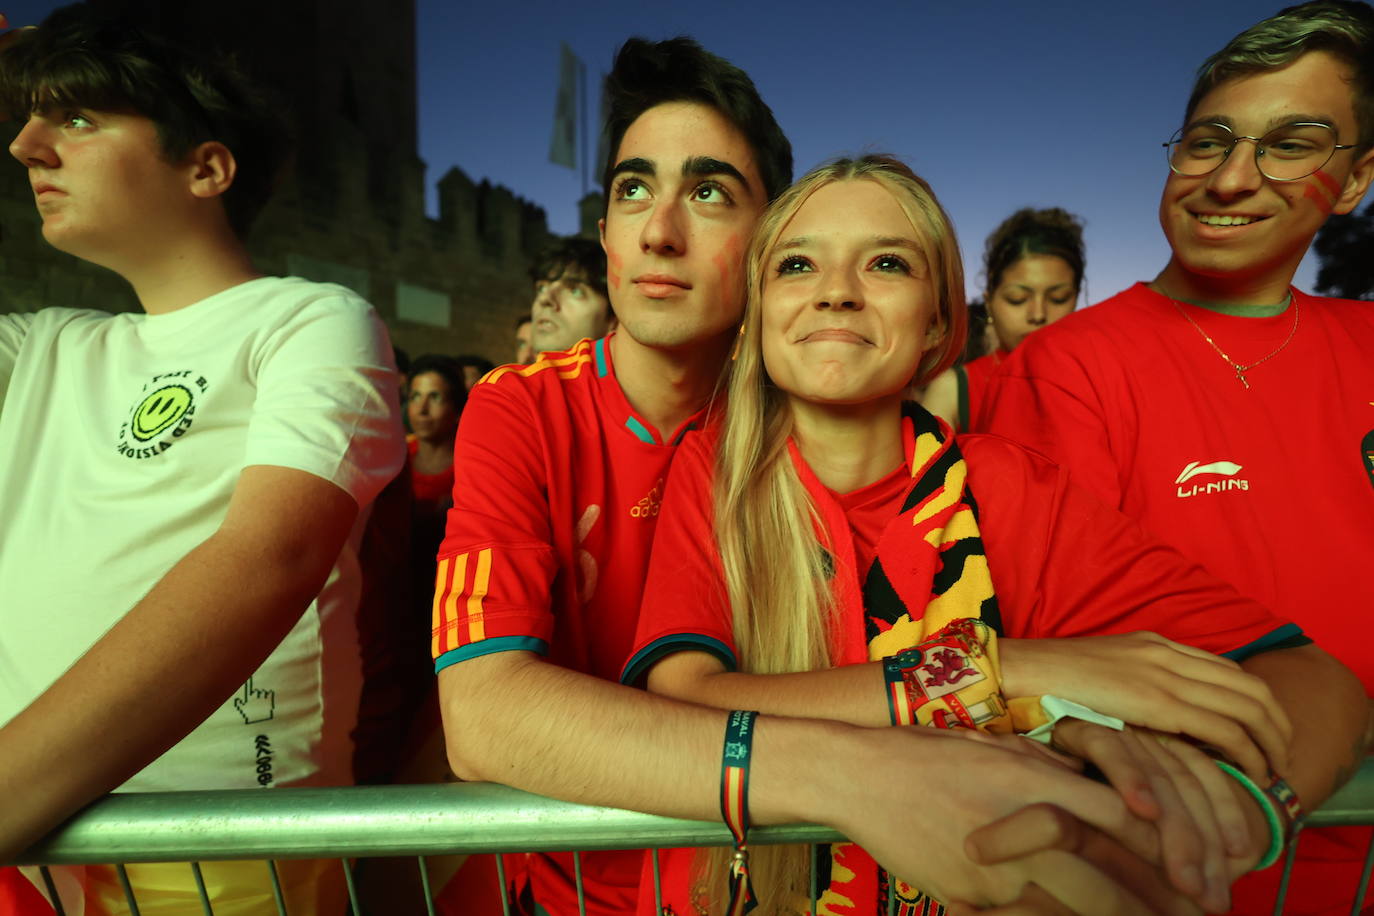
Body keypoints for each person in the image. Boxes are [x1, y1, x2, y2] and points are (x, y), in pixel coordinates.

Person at [436, 36, 1257, 916]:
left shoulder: (870, 443)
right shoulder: (523, 407)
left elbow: (1243, 667)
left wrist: (1135, 769)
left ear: (765, 235)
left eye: (708, 192)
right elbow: (484, 718)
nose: (659, 230)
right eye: (632, 190)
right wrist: (928, 728)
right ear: (603, 231)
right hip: (589, 886)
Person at [623, 154, 1366, 916]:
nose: (837, 292)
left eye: (885, 263)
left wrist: (1220, 817)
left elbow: (1313, 679)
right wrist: (1005, 670)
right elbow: (684, 703)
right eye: (798, 264)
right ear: (755, 313)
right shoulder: (715, 473)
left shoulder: (1012, 486)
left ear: (939, 320)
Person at [0, 7, 403, 913]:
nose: (27, 146)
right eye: (28, 119)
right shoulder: (39, 348)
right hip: (32, 860)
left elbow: (272, 556)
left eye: (76, 118)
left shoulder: (309, 319)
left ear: (205, 167)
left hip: (219, 856)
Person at [976, 3, 1374, 912]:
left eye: (1292, 144)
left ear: (1354, 181)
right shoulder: (1073, 364)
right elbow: (1063, 651)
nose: (1233, 178)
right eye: (1209, 141)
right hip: (1187, 877)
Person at [922, 207, 1084, 431]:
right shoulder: (956, 390)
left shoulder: (1097, 381)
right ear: (989, 302)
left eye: (1058, 298)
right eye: (1017, 299)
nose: (1038, 315)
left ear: (1076, 298)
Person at [528, 235, 616, 355]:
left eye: (574, 291)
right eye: (541, 288)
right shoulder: (501, 374)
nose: (544, 298)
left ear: (613, 321)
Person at [407, 353, 468, 518]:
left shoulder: (468, 469)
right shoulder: (394, 460)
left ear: (457, 409)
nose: (422, 410)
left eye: (435, 397)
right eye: (416, 397)